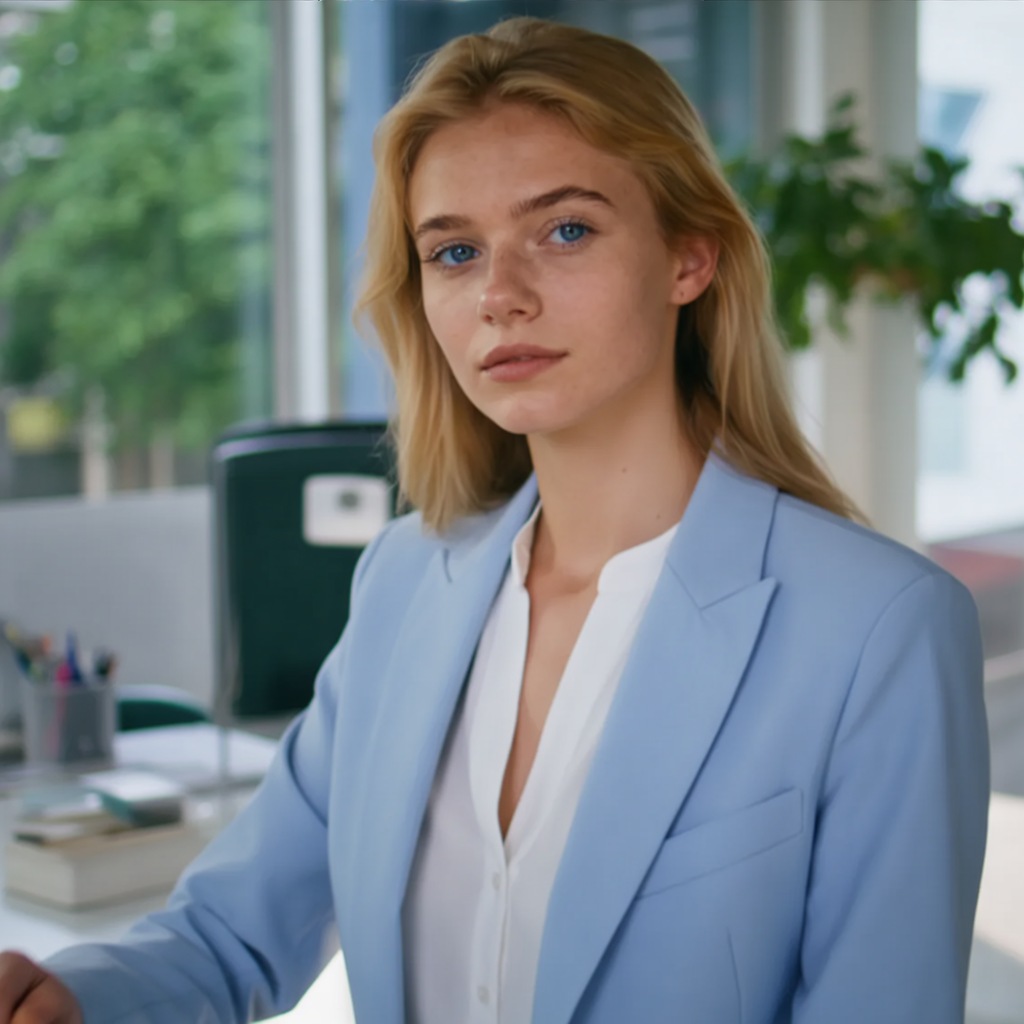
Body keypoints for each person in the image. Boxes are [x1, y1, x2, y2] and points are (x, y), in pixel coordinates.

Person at [0, 16, 989, 1024]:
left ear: (688, 256)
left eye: (565, 229)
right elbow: (230, 930)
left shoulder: (877, 629)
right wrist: (68, 996)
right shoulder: (401, 584)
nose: (500, 297)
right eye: (455, 250)